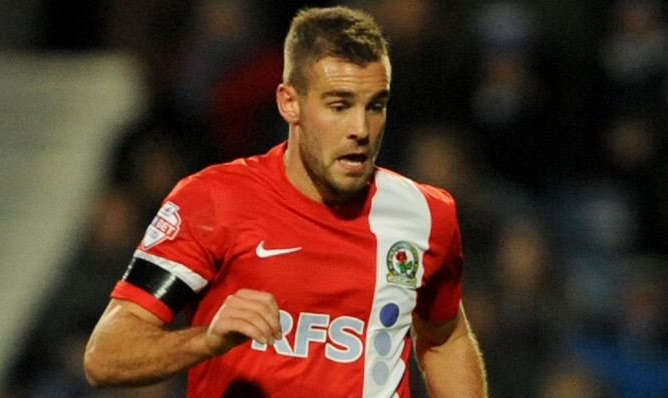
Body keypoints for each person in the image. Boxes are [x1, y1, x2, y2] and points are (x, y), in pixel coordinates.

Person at [84, 6, 487, 397]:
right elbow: (105, 356)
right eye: (339, 106)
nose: (361, 129)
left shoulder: (426, 214)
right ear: (289, 103)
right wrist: (206, 341)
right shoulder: (212, 202)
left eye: (375, 106)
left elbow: (443, 337)